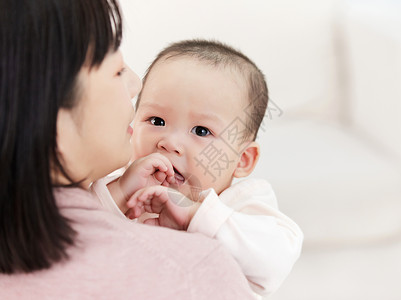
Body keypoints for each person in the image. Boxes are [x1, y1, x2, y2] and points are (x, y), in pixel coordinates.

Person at [0, 1, 256, 299]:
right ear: (47, 110)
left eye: (201, 131)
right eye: (117, 71)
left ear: (244, 159)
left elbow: (275, 251)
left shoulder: (248, 203)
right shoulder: (193, 275)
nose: (134, 85)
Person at [92, 40, 303, 297]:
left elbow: (275, 261)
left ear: (242, 159)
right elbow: (76, 233)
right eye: (156, 120)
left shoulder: (241, 205)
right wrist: (120, 194)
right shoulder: (121, 185)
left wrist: (196, 215)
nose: (169, 143)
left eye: (201, 131)